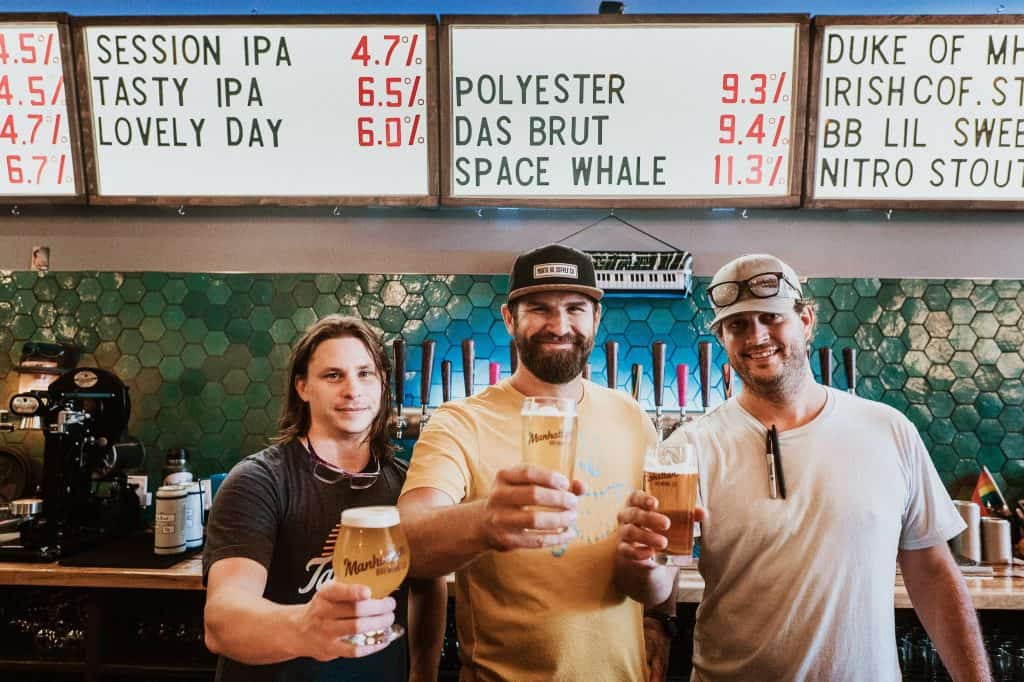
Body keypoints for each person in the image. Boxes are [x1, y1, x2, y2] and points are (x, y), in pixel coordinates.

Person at [622, 253, 988, 680]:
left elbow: (932, 571)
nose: (756, 335)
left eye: (771, 317)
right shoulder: (690, 447)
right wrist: (644, 569)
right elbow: (661, 580)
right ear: (722, 338)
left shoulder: (888, 430)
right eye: (737, 325)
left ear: (806, 320)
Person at [398, 243, 679, 682]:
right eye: (539, 309)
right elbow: (405, 543)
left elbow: (658, 555)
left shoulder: (632, 418)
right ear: (510, 319)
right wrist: (485, 521)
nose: (559, 325)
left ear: (596, 319)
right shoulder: (459, 422)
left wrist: (659, 619)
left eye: (575, 308)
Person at [203, 315, 446, 682]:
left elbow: (428, 588)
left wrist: (424, 673)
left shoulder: (408, 483)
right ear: (302, 387)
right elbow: (222, 620)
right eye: (333, 375)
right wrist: (306, 627)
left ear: (382, 383)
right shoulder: (258, 481)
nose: (353, 389)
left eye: (365, 373)